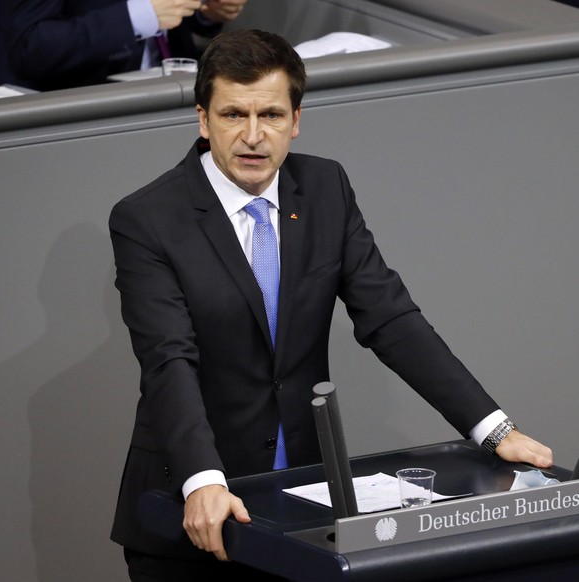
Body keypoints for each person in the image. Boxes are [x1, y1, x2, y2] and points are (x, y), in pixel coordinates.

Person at [108, 28, 554, 580]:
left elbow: (390, 317)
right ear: (203, 120)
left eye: (270, 115)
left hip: (298, 504)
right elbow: (168, 360)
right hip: (192, 510)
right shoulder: (148, 219)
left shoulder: (324, 187)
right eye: (233, 115)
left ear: (296, 121)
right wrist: (203, 480)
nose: (252, 136)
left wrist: (493, 429)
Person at [0, 0, 247, 92]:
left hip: (178, 94)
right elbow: (29, 46)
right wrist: (136, 18)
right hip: (88, 112)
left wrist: (207, 13)